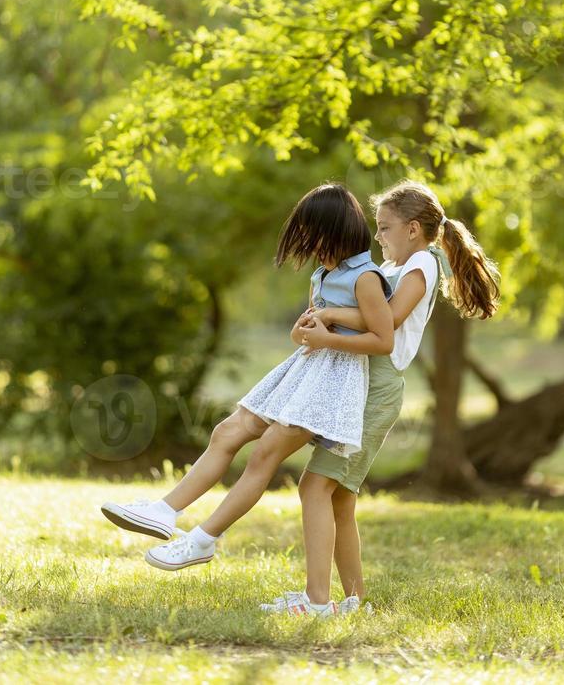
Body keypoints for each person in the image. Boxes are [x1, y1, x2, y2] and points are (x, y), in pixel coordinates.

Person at [100, 183, 394, 614]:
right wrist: (308, 332)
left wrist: (327, 335)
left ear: (332, 231)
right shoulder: (324, 274)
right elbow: (303, 331)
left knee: (265, 455)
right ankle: (165, 511)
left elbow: (382, 339)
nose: (308, 246)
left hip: (335, 381)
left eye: (311, 235)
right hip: (304, 369)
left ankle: (203, 540)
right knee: (228, 430)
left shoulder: (366, 277)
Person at [259, 179, 501, 616]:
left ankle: (317, 601)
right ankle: (353, 601)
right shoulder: (393, 268)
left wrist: (330, 314)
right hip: (362, 381)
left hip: (377, 387)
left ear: (412, 229)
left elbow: (385, 321)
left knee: (314, 486)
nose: (378, 236)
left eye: (385, 228)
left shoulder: (423, 265)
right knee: (339, 497)